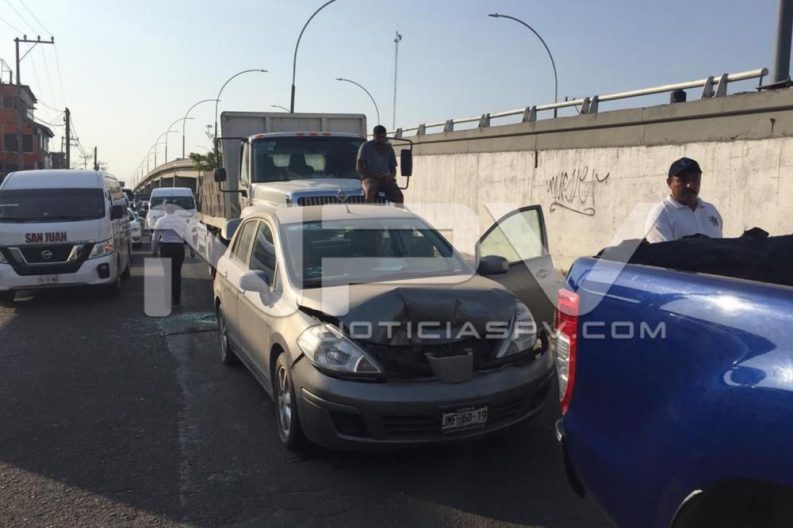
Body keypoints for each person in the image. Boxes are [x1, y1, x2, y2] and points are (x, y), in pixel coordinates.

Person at [645, 157, 723, 243]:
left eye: (695, 179)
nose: (689, 185)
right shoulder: (661, 215)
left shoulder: (711, 210)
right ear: (669, 183)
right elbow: (663, 254)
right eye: (682, 180)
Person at [151, 201, 189, 307]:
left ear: (165, 209)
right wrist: (192, 251)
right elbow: (188, 236)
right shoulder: (182, 221)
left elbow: (155, 238)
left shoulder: (161, 221)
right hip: (178, 248)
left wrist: (153, 251)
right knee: (177, 273)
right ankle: (176, 299)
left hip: (166, 248)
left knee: (167, 273)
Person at [357, 125, 404, 204]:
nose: (381, 140)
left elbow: (393, 169)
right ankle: (370, 214)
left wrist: (390, 177)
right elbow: (359, 167)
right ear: (374, 136)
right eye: (378, 137)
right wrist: (371, 175)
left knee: (399, 196)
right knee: (369, 192)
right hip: (370, 178)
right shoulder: (365, 147)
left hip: (385, 179)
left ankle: (397, 215)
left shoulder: (389, 148)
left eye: (383, 137)